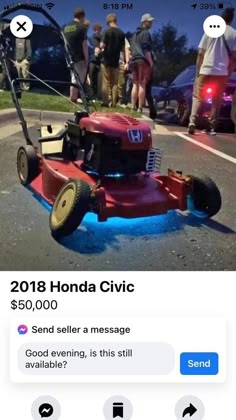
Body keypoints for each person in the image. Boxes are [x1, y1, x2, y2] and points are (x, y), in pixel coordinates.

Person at [188, 7, 236, 135]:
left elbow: (200, 53)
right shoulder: (233, 34)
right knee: (216, 99)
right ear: (231, 20)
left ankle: (192, 121)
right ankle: (212, 126)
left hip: (206, 69)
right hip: (221, 72)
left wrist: (198, 70)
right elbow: (233, 58)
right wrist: (229, 73)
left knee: (198, 96)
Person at [100, 14, 126, 107]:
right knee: (115, 83)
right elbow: (123, 48)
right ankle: (114, 103)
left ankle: (106, 102)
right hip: (116, 61)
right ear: (115, 20)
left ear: (108, 21)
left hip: (106, 60)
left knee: (105, 82)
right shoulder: (122, 33)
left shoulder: (106, 31)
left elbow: (102, 45)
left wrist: (101, 50)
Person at [130, 13, 154, 113]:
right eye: (149, 21)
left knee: (135, 84)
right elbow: (146, 50)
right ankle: (140, 107)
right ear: (144, 22)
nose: (151, 23)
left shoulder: (134, 34)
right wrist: (151, 62)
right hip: (143, 61)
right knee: (142, 84)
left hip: (134, 60)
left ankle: (132, 106)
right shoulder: (146, 34)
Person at [64, 8, 89, 102]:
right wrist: (87, 59)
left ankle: (73, 96)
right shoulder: (82, 27)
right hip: (79, 56)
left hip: (69, 55)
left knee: (73, 76)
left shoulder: (66, 27)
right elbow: (84, 45)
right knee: (78, 78)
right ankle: (73, 97)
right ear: (82, 16)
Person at [89, 23, 103, 100]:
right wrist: (94, 49)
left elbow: (105, 47)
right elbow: (90, 47)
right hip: (92, 60)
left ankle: (98, 97)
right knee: (92, 79)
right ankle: (92, 96)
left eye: (100, 29)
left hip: (100, 61)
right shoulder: (91, 38)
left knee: (99, 80)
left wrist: (102, 50)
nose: (99, 30)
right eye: (97, 29)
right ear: (95, 30)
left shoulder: (103, 39)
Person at [117, 37, 131, 106]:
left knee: (120, 83)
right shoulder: (108, 35)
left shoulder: (122, 37)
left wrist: (127, 62)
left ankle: (119, 100)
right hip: (110, 62)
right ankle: (111, 100)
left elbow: (127, 49)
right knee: (110, 82)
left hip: (120, 63)